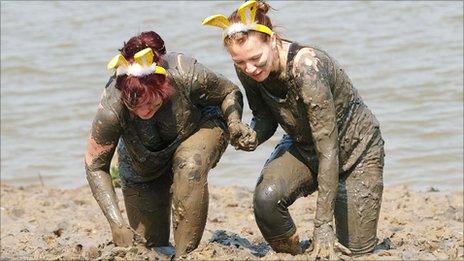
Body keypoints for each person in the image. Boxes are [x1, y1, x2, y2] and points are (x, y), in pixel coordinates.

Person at [203, 1, 385, 259]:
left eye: (256, 58)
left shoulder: (306, 68)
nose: (250, 68)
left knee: (356, 252)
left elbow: (329, 149)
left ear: (272, 40)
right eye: (240, 62)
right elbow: (265, 117)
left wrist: (322, 225)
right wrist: (253, 135)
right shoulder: (246, 65)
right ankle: (293, 255)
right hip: (304, 145)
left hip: (356, 152)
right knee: (266, 201)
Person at [84, 31, 253, 256]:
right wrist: (116, 222)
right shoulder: (112, 108)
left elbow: (229, 92)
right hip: (143, 160)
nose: (144, 111)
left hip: (198, 128)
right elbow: (95, 165)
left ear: (162, 84)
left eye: (149, 102)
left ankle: (186, 255)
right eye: (135, 107)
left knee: (189, 162)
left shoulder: (186, 73)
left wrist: (234, 123)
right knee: (150, 246)